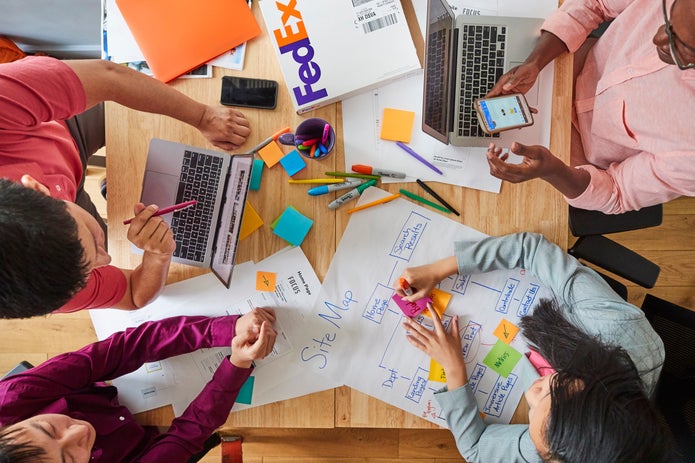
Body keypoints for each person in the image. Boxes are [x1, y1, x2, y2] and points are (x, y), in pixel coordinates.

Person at [0, 55, 251, 318]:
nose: (106, 260)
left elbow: (109, 77)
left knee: (151, 94)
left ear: (37, 190)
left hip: (55, 127)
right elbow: (133, 293)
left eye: (94, 247)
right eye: (87, 273)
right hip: (60, 187)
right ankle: (109, 190)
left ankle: (108, 188)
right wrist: (158, 254)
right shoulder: (40, 283)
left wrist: (203, 117)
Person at [396, 232, 673, 463]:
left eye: (532, 416)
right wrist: (441, 268)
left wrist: (454, 371)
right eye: (552, 389)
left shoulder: (561, 449)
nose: (532, 393)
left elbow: (476, 449)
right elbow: (532, 249)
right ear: (596, 377)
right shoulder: (616, 326)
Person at [484, 0, 695, 214]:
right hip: (558, 60)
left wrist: (553, 171)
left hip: (562, 155)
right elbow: (596, 3)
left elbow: (618, 192)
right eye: (667, 19)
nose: (658, 38)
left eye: (681, 45)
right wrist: (535, 62)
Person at [0, 307, 277, 462]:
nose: (77, 432)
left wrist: (225, 329)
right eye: (70, 459)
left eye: (49, 427)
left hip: (109, 394)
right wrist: (237, 362)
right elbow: (190, 432)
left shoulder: (12, 398)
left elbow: (124, 348)